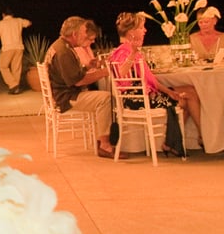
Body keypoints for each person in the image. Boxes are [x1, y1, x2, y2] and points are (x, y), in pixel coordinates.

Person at [108, 12, 199, 158]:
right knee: (186, 98)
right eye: (142, 27)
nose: (145, 30)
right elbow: (121, 73)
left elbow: (151, 81)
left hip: (146, 93)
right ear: (132, 32)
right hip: (135, 99)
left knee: (189, 91)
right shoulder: (124, 51)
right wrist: (132, 54)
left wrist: (168, 92)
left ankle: (173, 142)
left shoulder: (132, 51)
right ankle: (198, 137)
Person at [45, 17, 120, 158]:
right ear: (74, 34)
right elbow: (77, 81)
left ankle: (103, 140)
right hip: (67, 97)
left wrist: (87, 67)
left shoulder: (60, 46)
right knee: (105, 99)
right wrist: (104, 72)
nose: (86, 35)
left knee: (102, 95)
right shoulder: (64, 52)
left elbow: (71, 74)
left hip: (65, 93)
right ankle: (104, 145)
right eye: (84, 32)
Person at [0, 9, 31, 94]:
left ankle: (13, 85)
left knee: (3, 67)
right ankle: (15, 88)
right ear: (12, 14)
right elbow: (29, 23)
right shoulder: (18, 21)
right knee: (16, 68)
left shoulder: (1, 23)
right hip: (19, 47)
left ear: (3, 14)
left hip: (8, 48)